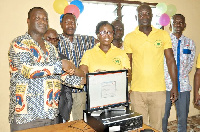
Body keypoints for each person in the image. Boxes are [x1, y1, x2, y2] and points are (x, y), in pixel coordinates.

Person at [8, 7, 82, 131]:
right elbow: (28, 70)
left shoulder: (50, 47)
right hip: (27, 117)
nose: (42, 21)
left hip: (51, 115)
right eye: (38, 18)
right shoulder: (19, 43)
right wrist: (61, 64)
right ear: (28, 21)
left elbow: (57, 75)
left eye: (45, 19)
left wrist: (80, 81)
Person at [123, 4, 178, 131]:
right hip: (137, 91)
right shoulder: (129, 37)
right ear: (136, 17)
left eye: (147, 13)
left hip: (158, 90)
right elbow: (127, 64)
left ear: (152, 16)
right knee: (139, 127)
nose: (144, 17)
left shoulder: (163, 35)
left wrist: (175, 85)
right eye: (141, 14)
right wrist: (126, 88)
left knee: (156, 127)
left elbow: (170, 60)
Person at [58, 13, 97, 121]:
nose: (70, 25)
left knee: (79, 122)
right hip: (62, 90)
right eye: (66, 22)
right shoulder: (55, 39)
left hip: (80, 89)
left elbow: (102, 43)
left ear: (76, 24)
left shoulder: (85, 40)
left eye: (72, 22)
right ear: (61, 24)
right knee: (61, 124)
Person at [162, 14, 195, 132]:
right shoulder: (164, 42)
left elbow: (190, 63)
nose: (178, 24)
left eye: (181, 22)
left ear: (184, 25)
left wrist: (181, 77)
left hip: (184, 86)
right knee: (163, 117)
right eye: (175, 22)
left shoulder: (190, 43)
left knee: (182, 119)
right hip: (165, 85)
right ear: (171, 25)